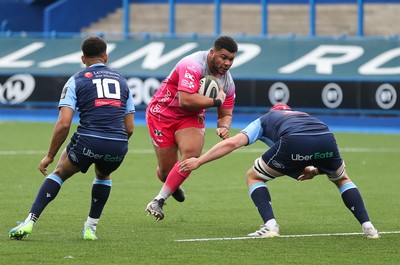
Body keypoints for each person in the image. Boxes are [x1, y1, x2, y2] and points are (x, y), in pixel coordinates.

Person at [179, 103, 380, 239]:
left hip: (294, 140)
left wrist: (199, 161)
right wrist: (316, 170)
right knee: (342, 178)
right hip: (326, 135)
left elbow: (232, 143)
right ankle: (368, 226)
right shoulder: (302, 115)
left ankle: (271, 225)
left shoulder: (265, 119)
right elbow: (312, 151)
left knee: (253, 176)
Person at [9, 36, 135, 240]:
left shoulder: (76, 79)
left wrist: (49, 155)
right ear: (106, 56)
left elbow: (64, 123)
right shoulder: (122, 81)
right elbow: (129, 128)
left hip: (88, 140)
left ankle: (30, 221)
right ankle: (90, 228)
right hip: (117, 143)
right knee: (103, 175)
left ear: (83, 58)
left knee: (59, 172)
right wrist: (112, 146)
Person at [145, 36, 238, 221]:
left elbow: (225, 114)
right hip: (161, 115)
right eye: (223, 57)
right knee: (166, 172)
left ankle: (158, 200)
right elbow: (186, 100)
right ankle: (172, 183)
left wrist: (224, 127)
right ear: (212, 53)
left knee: (192, 155)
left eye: (231, 59)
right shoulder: (192, 64)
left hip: (190, 117)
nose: (227, 63)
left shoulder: (227, 83)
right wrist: (216, 100)